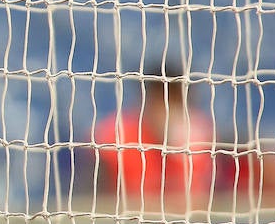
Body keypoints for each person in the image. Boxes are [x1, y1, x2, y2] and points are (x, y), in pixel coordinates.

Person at [92, 58, 221, 212]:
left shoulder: (201, 137)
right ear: (145, 99)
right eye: (160, 99)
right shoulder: (118, 136)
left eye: (173, 100)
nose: (166, 108)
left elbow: (207, 198)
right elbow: (98, 198)